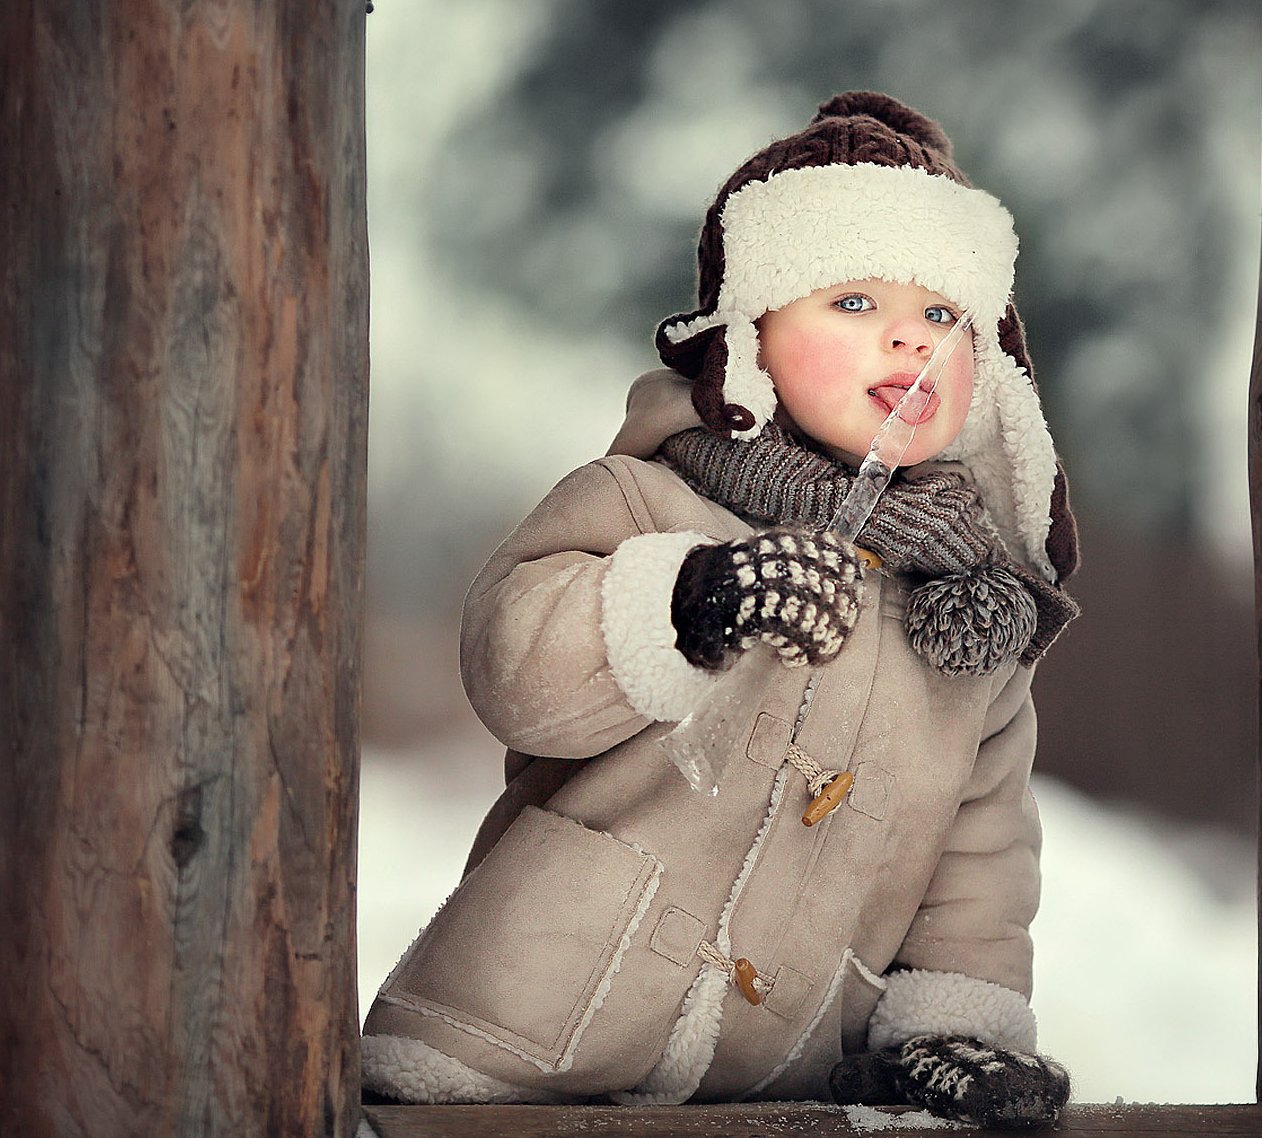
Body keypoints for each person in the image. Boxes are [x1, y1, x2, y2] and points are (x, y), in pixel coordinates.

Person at [361, 92, 1080, 1128]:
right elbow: (511, 668)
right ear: (747, 337)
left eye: (938, 314)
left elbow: (979, 853)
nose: (906, 343)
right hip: (510, 1046)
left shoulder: (970, 625)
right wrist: (693, 599)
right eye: (850, 303)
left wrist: (946, 1025)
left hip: (767, 1087)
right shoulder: (642, 498)